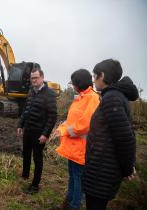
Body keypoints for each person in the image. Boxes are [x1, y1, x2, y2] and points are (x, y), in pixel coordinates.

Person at [82, 59, 139, 210]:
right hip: (102, 168)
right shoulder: (115, 96)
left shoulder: (112, 98)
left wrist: (128, 167)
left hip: (102, 171)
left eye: (95, 76)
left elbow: (125, 138)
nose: (93, 80)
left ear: (103, 76)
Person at [54, 69, 100, 210]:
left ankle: (74, 206)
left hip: (82, 150)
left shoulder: (92, 98)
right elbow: (71, 119)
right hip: (73, 148)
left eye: (73, 83)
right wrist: (61, 128)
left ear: (79, 83)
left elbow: (85, 125)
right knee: (73, 177)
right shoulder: (80, 97)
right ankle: (68, 202)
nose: (72, 86)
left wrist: (65, 131)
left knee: (78, 178)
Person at [17, 63, 57, 194]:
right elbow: (26, 110)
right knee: (26, 154)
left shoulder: (49, 94)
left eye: (35, 78)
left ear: (42, 78)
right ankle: (25, 174)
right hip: (28, 130)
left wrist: (45, 134)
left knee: (37, 158)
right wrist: (20, 125)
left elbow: (52, 117)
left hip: (39, 133)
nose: (33, 80)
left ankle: (35, 185)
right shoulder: (31, 92)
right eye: (32, 78)